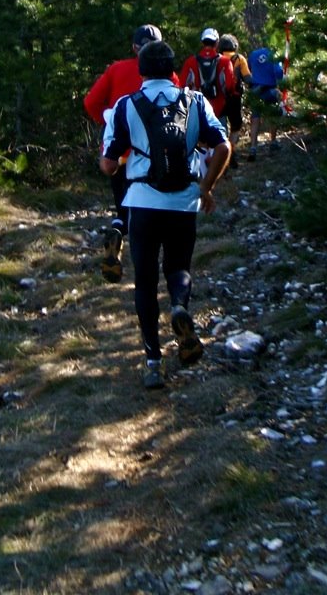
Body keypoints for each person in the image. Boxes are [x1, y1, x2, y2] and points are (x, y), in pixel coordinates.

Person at [99, 39, 231, 389]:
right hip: (183, 202)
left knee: (144, 281)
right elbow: (223, 146)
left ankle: (153, 362)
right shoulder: (195, 101)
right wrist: (206, 187)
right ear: (173, 70)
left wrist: (113, 158)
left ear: (141, 70)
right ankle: (179, 307)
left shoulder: (126, 105)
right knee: (178, 267)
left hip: (142, 203)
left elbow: (109, 165)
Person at [83, 23, 175, 282]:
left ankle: (118, 228)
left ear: (135, 47)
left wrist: (108, 122)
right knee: (152, 206)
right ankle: (149, 254)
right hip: (151, 154)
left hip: (118, 153)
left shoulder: (116, 69)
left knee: (122, 203)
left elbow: (91, 102)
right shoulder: (168, 77)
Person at [179, 27, 237, 122]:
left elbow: (182, 86)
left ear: (202, 42)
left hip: (197, 108)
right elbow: (230, 85)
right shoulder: (225, 61)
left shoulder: (190, 61)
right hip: (219, 108)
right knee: (220, 131)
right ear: (217, 42)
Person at [245, 42, 286, 161]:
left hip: (256, 90)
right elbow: (278, 72)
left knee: (255, 117)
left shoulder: (253, 54)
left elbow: (248, 69)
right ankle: (273, 141)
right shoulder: (273, 54)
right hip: (270, 90)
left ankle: (253, 147)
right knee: (273, 114)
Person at [217, 33, 249, 159]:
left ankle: (222, 150)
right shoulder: (239, 59)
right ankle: (231, 150)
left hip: (219, 97)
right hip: (235, 97)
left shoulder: (217, 58)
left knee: (221, 125)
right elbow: (247, 77)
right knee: (236, 126)